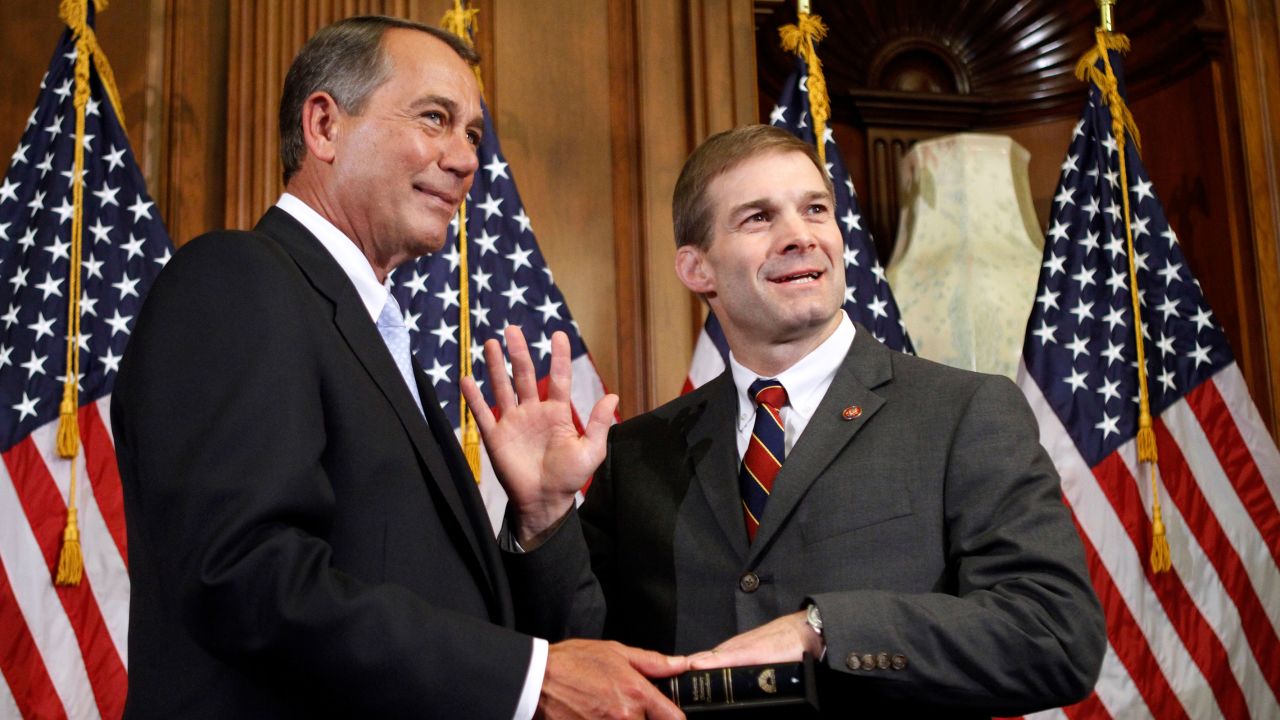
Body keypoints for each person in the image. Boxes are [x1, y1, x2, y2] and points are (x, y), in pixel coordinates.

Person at [112, 16, 685, 719]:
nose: (468, 159)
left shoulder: (372, 334)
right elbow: (245, 576)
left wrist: (536, 519)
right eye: (435, 119)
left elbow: (449, 604)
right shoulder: (237, 280)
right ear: (323, 125)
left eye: (472, 133)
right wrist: (526, 680)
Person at [465, 124, 1108, 717]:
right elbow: (587, 663)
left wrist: (822, 629)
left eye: (815, 209)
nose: (801, 234)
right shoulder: (640, 451)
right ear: (698, 268)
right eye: (758, 218)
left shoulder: (963, 412)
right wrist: (544, 518)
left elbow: (1053, 635)